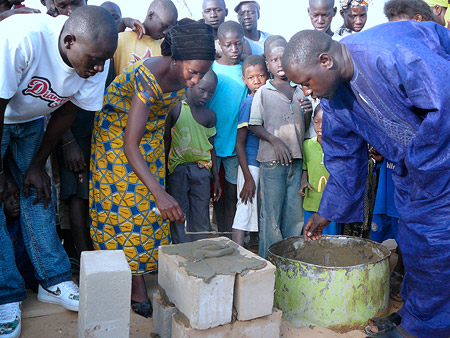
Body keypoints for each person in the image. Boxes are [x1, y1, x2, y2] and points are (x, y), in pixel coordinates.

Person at [283, 25, 450, 338]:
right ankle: (418, 313)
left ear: (325, 61)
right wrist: (324, 213)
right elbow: (345, 160)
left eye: (306, 82)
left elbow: (445, 101)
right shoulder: (334, 101)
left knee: (436, 244)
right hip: (413, 173)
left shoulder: (388, 54)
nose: (307, 92)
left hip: (440, 163)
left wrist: (425, 163)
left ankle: (427, 328)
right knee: (413, 242)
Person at [0, 6, 117, 338]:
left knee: (38, 193)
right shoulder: (23, 39)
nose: (99, 68)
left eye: (104, 60)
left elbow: (71, 109)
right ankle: (5, 296)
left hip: (31, 120)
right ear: (69, 41)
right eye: (94, 60)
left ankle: (53, 281)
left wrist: (37, 165)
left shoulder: (98, 57)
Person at [90, 21, 215, 318]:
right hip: (118, 140)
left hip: (150, 140)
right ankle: (134, 282)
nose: (197, 80)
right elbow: (128, 144)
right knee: (126, 208)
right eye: (193, 72)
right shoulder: (148, 80)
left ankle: (145, 269)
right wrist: (160, 193)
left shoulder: (182, 76)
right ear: (174, 60)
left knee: (150, 212)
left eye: (203, 73)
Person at [249, 38, 312, 259]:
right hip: (272, 161)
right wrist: (275, 141)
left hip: (296, 160)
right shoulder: (263, 93)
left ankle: (289, 261)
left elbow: (307, 129)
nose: (279, 63)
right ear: (268, 63)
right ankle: (270, 262)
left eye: (283, 58)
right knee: (271, 216)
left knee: (294, 215)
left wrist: (308, 111)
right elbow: (254, 125)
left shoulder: (300, 90)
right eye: (274, 59)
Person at [164, 70, 221, 244]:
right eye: (202, 90)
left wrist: (216, 178)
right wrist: (164, 172)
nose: (206, 96)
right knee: (179, 212)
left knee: (201, 211)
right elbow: (166, 141)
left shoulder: (210, 115)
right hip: (178, 170)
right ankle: (181, 253)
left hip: (202, 171)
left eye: (211, 92)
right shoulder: (176, 108)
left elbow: (211, 148)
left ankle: (200, 249)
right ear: (192, 84)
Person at [206, 21, 248, 236]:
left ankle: (231, 234)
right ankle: (218, 232)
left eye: (238, 44)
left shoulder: (247, 70)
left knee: (232, 192)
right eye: (228, 45)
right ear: (219, 44)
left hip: (235, 142)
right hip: (211, 141)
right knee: (214, 190)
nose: (233, 50)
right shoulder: (211, 68)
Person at [231, 55, 268, 247]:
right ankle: (236, 250)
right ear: (245, 80)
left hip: (265, 162)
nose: (257, 81)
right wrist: (247, 177)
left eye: (261, 76)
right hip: (251, 164)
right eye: (251, 78)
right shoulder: (248, 103)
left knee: (259, 209)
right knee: (245, 207)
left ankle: (254, 249)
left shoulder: (269, 99)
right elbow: (239, 143)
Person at [300, 104, 340, 235]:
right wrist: (303, 182)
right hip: (311, 202)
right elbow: (305, 168)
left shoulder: (338, 147)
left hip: (332, 206)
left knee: (331, 240)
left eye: (325, 122)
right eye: (317, 122)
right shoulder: (307, 145)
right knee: (311, 236)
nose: (320, 126)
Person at [113, 0, 178, 76]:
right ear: (151, 15)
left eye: (169, 28)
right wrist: (123, 22)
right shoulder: (122, 39)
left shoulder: (166, 48)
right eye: (164, 26)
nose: (165, 32)